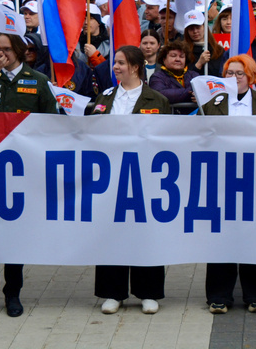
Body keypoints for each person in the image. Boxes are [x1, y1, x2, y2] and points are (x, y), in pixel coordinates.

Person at [0, 32, 58, 318]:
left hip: (22, 170)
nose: (0, 55)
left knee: (15, 235)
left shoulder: (38, 81)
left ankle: (12, 294)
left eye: (6, 50)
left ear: (19, 51)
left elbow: (51, 123)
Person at [86, 46, 170, 314]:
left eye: (121, 63)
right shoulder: (105, 97)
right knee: (111, 232)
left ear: (135, 67)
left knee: (146, 233)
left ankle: (148, 292)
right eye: (115, 63)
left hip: (145, 176)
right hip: (110, 176)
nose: (116, 67)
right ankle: (113, 292)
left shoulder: (157, 100)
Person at [201, 54, 256, 313]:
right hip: (220, 179)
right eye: (229, 73)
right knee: (220, 237)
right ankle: (219, 295)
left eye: (239, 73)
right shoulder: (212, 104)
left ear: (251, 77)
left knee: (255, 236)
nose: (233, 78)